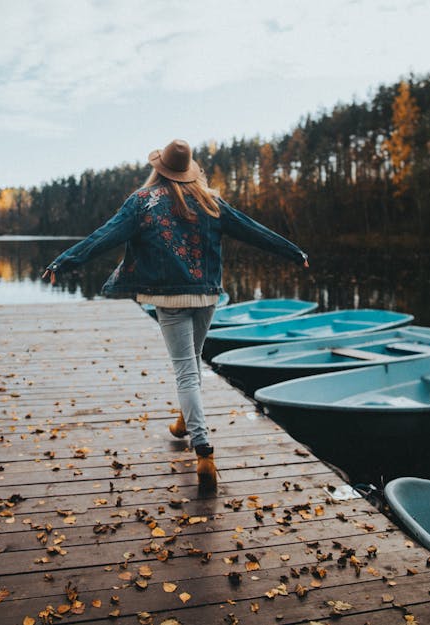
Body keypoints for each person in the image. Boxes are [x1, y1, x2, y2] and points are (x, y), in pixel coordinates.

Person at [42, 139, 309, 490]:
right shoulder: (210, 201)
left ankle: (203, 448)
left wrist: (65, 261)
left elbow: (104, 236)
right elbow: (253, 230)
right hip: (207, 296)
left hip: (169, 299)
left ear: (159, 168)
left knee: (185, 370)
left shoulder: (141, 202)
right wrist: (294, 252)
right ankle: (184, 422)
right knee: (192, 363)